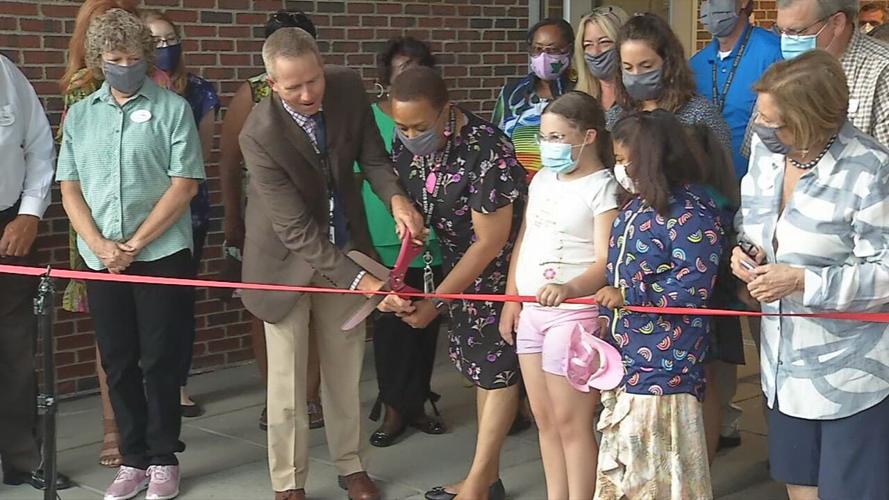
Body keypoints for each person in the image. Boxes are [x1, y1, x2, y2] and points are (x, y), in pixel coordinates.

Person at [238, 27, 424, 500]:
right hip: (283, 262)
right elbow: (296, 231)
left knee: (345, 372)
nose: (307, 94)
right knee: (288, 384)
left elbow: (375, 159)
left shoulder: (347, 87)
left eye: (313, 81)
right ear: (271, 83)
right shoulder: (257, 134)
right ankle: (288, 483)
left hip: (346, 244)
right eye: (293, 86)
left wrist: (397, 200)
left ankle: (351, 465)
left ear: (323, 67)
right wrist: (363, 281)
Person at [57, 9, 205, 500]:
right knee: (118, 360)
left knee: (161, 357)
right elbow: (70, 188)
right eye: (115, 58)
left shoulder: (172, 109)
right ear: (100, 60)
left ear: (147, 56)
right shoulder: (81, 114)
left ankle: (163, 457)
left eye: (134, 57)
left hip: (161, 250)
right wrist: (101, 247)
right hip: (101, 256)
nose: (125, 65)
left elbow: (183, 185)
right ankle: (132, 458)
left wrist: (135, 244)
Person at [731, 50, 889, 500]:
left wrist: (802, 281)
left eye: (772, 121)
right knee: (800, 487)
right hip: (781, 366)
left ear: (811, 120)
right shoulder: (767, 152)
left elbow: (884, 271)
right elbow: (752, 223)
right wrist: (745, 254)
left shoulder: (872, 169)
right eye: (759, 116)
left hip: (852, 374)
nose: (760, 129)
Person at [381, 66, 527, 500]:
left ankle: (478, 485)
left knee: (496, 373)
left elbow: (490, 241)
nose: (408, 135)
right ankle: (486, 479)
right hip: (455, 270)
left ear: (447, 110)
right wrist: (408, 218)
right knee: (482, 374)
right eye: (401, 126)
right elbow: (411, 191)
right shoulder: (405, 140)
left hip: (497, 273)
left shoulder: (487, 150)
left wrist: (437, 302)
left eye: (419, 126)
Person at [594, 109, 725, 500]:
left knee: (657, 469)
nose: (619, 169)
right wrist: (607, 316)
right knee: (630, 465)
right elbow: (616, 270)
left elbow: (694, 285)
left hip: (666, 364)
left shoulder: (691, 214)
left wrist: (630, 297)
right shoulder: (633, 208)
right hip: (626, 355)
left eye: (623, 160)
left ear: (650, 159)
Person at [499, 91, 620, 500]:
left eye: (557, 137)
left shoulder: (602, 187)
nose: (547, 146)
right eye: (544, 137)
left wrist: (569, 288)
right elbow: (525, 238)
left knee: (572, 423)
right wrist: (511, 298)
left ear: (587, 137)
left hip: (572, 314)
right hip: (532, 310)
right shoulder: (542, 180)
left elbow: (606, 260)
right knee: (543, 419)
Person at [217, 10, 324, 433]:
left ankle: (311, 396)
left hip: (317, 219)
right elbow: (228, 163)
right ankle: (275, 394)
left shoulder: (330, 90)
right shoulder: (252, 95)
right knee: (268, 309)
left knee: (316, 313)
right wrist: (231, 221)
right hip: (265, 218)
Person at [690, 0, 782, 454]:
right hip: (714, 208)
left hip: (762, 202)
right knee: (719, 326)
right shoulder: (696, 63)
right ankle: (722, 421)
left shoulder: (774, 50)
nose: (710, 9)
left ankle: (779, 435)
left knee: (766, 325)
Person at [56, 0, 141, 470]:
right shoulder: (79, 92)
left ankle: (150, 430)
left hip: (154, 225)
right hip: (95, 226)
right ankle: (114, 427)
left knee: (153, 331)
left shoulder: (158, 86)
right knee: (111, 336)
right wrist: (100, 241)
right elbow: (72, 173)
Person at [360, 37, 446, 448]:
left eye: (414, 66)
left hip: (433, 242)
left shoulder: (437, 118)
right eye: (398, 68)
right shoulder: (371, 119)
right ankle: (393, 405)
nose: (405, 75)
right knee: (392, 328)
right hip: (385, 238)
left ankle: (418, 400)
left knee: (425, 326)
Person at [141, 9, 219, 420]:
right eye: (155, 41)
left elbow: (199, 159)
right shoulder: (125, 91)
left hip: (188, 211)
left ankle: (179, 384)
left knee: (178, 303)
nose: (165, 48)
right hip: (135, 213)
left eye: (171, 39)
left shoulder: (200, 92)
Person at [0, 55, 72, 492]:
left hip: (9, 226)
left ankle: (22, 456)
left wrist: (30, 214)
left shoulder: (6, 74)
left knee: (16, 350)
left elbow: (39, 146)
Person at [740, 0, 889, 150]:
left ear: (837, 23)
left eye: (796, 32)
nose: (787, 41)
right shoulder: (783, 70)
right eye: (781, 31)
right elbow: (753, 148)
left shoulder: (882, 72)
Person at [493, 18, 575, 179]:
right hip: (516, 186)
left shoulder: (579, 91)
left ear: (569, 50)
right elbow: (496, 140)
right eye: (537, 49)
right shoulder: (512, 94)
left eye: (552, 50)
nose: (543, 57)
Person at [573, 6, 629, 110]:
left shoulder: (640, 99)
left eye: (604, 42)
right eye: (588, 45)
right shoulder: (577, 102)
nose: (595, 52)